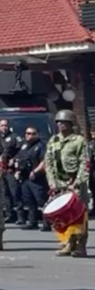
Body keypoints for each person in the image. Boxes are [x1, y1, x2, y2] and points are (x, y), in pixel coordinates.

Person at [45, 109, 90, 257]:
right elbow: (48, 162)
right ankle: (69, 243)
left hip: (75, 182)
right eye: (58, 122)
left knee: (79, 215)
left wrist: (77, 182)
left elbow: (85, 163)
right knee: (64, 215)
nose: (61, 125)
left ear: (71, 124)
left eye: (64, 122)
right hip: (59, 182)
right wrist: (52, 182)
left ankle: (81, 245)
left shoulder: (79, 141)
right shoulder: (53, 140)